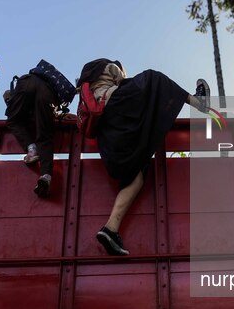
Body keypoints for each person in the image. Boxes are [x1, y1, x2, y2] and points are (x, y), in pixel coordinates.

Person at [77, 59, 209, 255]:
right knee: (154, 79)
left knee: (135, 176)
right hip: (117, 108)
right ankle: (199, 102)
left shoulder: (85, 88)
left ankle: (110, 229)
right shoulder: (108, 66)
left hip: (109, 136)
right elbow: (121, 79)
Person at [4, 66, 74, 198]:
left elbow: (14, 106)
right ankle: (46, 176)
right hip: (48, 93)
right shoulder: (53, 95)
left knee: (13, 120)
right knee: (45, 137)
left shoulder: (16, 92)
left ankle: (31, 149)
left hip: (27, 82)